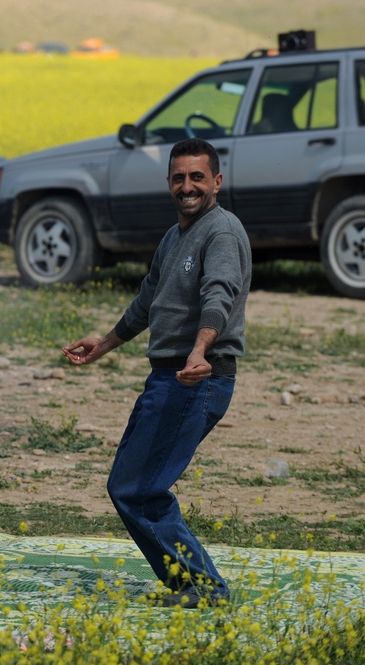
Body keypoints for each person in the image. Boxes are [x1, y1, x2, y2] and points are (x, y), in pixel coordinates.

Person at [62, 138, 251, 609]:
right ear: (169, 182)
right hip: (167, 377)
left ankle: (204, 589)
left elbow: (220, 294)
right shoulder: (174, 236)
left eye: (197, 177)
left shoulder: (221, 232)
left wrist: (200, 349)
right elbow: (150, 299)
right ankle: (195, 585)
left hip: (196, 378)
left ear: (217, 182)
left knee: (138, 488)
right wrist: (104, 342)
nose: (187, 187)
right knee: (131, 484)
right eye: (178, 178)